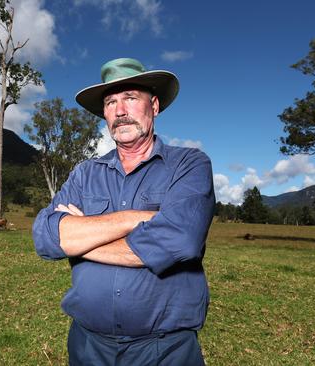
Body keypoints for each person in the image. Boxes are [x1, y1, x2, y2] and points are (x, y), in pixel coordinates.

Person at [32, 58, 215, 365]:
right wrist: (135, 219)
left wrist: (80, 239)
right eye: (111, 102)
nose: (120, 111)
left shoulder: (189, 164)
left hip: (165, 350)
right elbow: (46, 236)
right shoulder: (84, 173)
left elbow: (180, 241)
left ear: (153, 106)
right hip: (88, 346)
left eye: (130, 98)